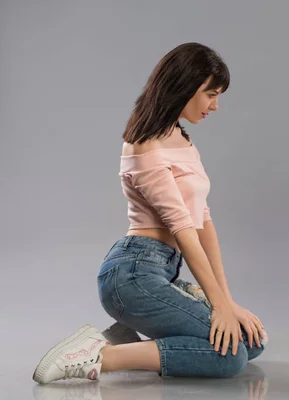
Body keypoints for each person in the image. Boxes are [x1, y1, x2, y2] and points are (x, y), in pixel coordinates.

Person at [32, 42, 267, 385]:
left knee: (250, 341)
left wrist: (227, 302)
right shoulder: (146, 143)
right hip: (133, 274)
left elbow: (203, 222)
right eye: (210, 94)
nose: (215, 106)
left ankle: (125, 340)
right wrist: (217, 304)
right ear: (185, 86)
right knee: (230, 356)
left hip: (163, 270)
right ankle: (100, 355)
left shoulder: (182, 140)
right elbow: (183, 228)